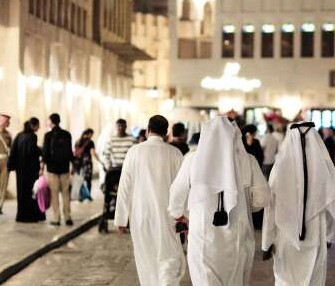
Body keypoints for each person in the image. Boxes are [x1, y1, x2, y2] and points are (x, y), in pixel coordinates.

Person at [169, 116, 270, 286]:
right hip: (238, 237)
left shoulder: (192, 159)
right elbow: (263, 198)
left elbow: (177, 193)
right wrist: (246, 207)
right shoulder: (248, 160)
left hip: (203, 237)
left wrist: (178, 214)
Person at [261, 122, 335, 285]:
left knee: (287, 279)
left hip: (285, 237)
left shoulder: (279, 168)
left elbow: (270, 210)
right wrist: (330, 234)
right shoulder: (325, 168)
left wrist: (266, 242)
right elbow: (332, 202)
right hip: (316, 236)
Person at [115, 115, 186, 285]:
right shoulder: (175, 153)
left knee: (145, 260)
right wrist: (185, 214)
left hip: (140, 216)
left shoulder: (134, 152)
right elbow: (184, 188)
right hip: (167, 216)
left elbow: (124, 187)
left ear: (148, 130)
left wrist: (121, 218)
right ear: (166, 132)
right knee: (168, 257)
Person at [7, 117, 45, 223]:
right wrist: (42, 151)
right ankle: (31, 216)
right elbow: (32, 152)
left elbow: (13, 151)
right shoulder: (33, 136)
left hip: (20, 171)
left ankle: (21, 216)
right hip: (30, 171)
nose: (39, 127)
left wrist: (10, 166)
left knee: (21, 193)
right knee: (31, 193)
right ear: (33, 126)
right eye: (38, 125)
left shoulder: (19, 135)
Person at [41, 113, 74, 226]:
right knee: (65, 193)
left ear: (51, 122)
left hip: (52, 169)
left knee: (54, 194)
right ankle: (68, 217)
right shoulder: (67, 134)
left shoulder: (48, 135)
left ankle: (56, 218)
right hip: (64, 168)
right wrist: (73, 165)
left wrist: (42, 166)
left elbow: (45, 153)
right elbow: (70, 152)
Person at [73, 129, 102, 196]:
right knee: (88, 180)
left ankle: (80, 195)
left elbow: (75, 153)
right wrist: (99, 160)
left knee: (80, 179)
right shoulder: (90, 142)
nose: (92, 136)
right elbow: (93, 153)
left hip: (78, 163)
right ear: (89, 133)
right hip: (87, 163)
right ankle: (88, 195)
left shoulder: (78, 141)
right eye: (92, 134)